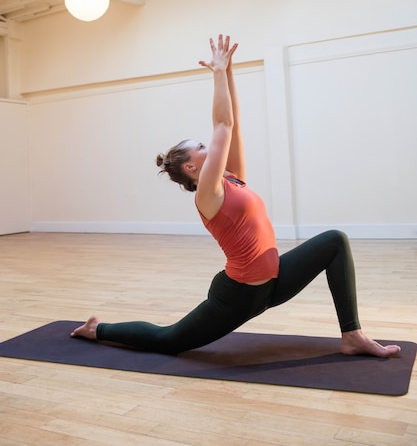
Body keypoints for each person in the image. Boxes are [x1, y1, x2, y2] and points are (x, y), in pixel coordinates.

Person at [72, 35, 400, 358]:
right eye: (201, 147)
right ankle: (97, 329)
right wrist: (216, 73)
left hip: (274, 282)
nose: (208, 145)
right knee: (169, 339)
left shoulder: (231, 179)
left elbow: (234, 124)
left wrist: (228, 71)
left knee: (334, 241)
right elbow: (223, 125)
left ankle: (352, 335)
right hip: (240, 295)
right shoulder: (207, 194)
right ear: (190, 166)